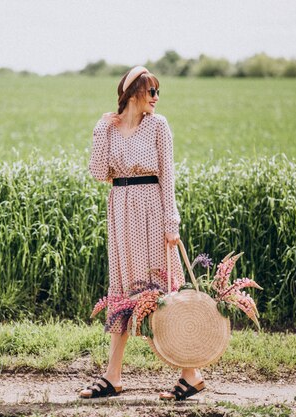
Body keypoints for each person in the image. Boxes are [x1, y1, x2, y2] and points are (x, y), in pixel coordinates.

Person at [79, 66, 206, 401]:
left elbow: (168, 174)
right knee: (122, 293)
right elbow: (96, 172)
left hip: (151, 210)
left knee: (157, 293)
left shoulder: (158, 126)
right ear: (133, 93)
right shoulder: (112, 128)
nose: (156, 98)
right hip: (120, 210)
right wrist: (101, 127)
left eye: (158, 92)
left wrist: (171, 222)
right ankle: (113, 376)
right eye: (152, 92)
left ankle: (190, 373)